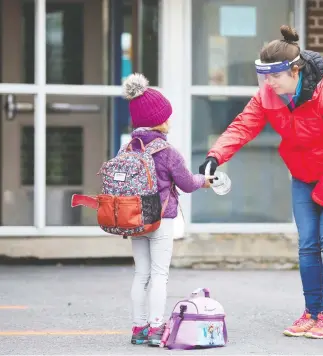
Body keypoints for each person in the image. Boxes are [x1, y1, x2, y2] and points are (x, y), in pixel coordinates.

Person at [198, 25, 323, 339]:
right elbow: (242, 127)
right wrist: (215, 156)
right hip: (304, 172)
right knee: (306, 245)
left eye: (273, 76)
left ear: (294, 70)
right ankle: (310, 313)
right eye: (264, 76)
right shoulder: (268, 96)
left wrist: (321, 195)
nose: (268, 83)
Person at [122, 73, 213, 346]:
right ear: (158, 120)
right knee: (160, 274)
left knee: (141, 274)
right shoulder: (167, 151)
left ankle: (138, 328)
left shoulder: (128, 148)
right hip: (161, 219)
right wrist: (203, 181)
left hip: (136, 218)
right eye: (166, 116)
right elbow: (186, 183)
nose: (169, 120)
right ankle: (156, 328)